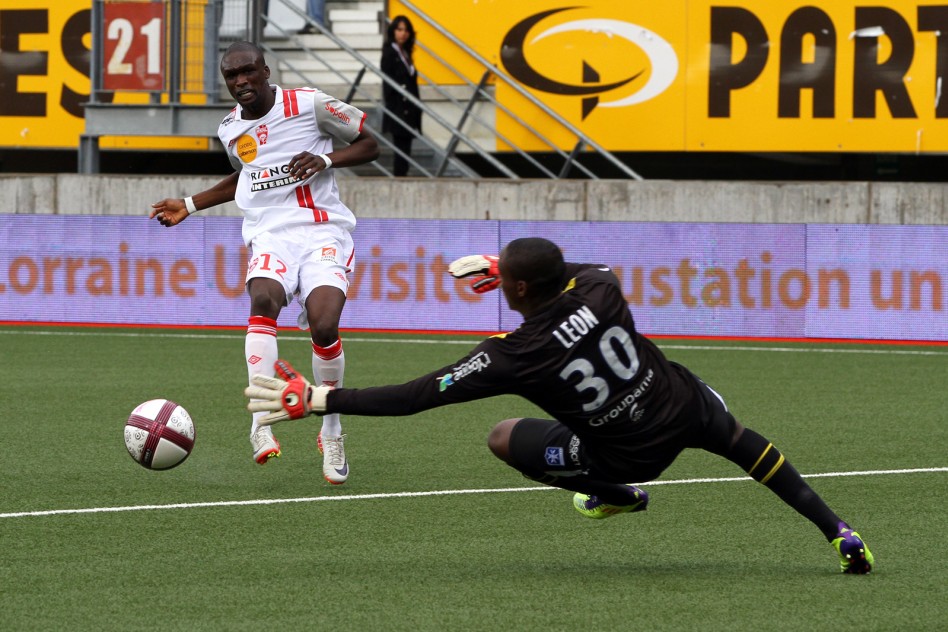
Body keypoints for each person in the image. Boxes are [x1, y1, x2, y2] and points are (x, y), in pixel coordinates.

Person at [245, 237, 874, 573]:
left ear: (516, 289)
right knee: (740, 441)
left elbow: (415, 397)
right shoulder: (600, 287)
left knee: (502, 436)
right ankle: (840, 532)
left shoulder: (511, 355)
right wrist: (508, 265)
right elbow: (580, 269)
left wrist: (320, 397)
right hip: (683, 404)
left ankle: (619, 494)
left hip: (630, 455)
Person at [150, 41, 379, 484]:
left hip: (322, 231)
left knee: (325, 325)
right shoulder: (230, 129)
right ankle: (261, 421)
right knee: (263, 299)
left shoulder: (310, 105)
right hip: (271, 235)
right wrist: (190, 204)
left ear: (266, 71)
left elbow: (371, 145)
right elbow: (247, 176)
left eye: (248, 72)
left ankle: (332, 431)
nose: (241, 82)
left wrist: (325, 158)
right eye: (231, 76)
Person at [380, 15, 422, 177]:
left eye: (406, 30)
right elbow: (389, 82)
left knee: (406, 150)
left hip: (409, 109)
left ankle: (402, 177)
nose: (403, 33)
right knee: (401, 150)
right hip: (398, 108)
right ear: (393, 31)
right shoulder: (390, 52)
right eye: (399, 29)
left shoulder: (405, 52)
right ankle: (400, 179)